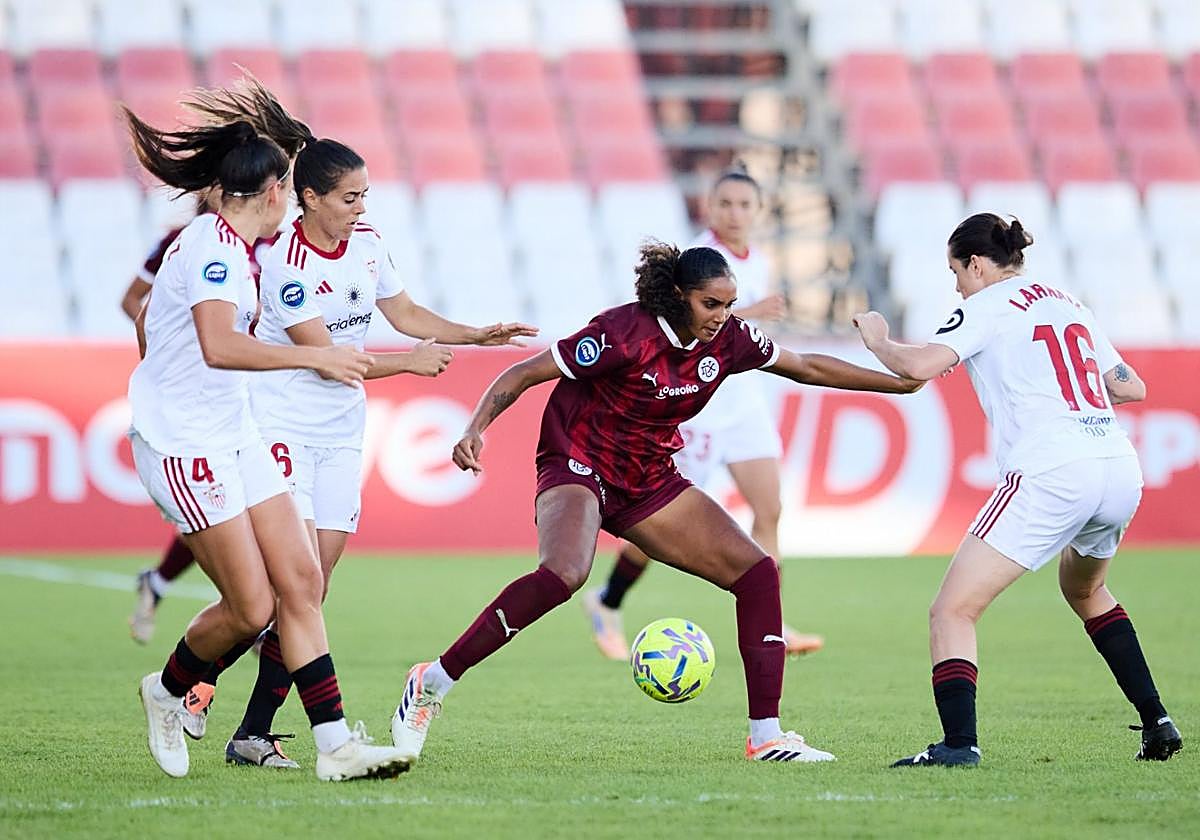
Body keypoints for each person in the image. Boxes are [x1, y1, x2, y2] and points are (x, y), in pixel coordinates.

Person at [390, 241, 921, 765]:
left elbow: (806, 366)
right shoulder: (622, 334)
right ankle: (432, 681)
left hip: (647, 479)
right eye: (710, 304)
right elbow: (524, 373)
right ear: (677, 295)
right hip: (577, 460)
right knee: (565, 574)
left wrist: (898, 385)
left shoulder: (730, 340)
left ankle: (766, 737)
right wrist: (474, 429)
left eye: (729, 305)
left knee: (757, 573)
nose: (722, 316)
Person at [219, 133, 537, 769]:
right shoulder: (283, 261)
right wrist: (410, 365)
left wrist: (475, 334)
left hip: (341, 434)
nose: (361, 207)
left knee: (313, 588)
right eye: (349, 197)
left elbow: (406, 312)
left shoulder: (367, 244)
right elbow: (326, 357)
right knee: (296, 585)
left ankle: (251, 734)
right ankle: (196, 683)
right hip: (281, 427)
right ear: (310, 198)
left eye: (365, 195)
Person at [124, 77, 412, 781]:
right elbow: (220, 346)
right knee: (251, 607)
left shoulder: (231, 242)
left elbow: (150, 319)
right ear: (278, 192)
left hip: (236, 432)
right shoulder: (217, 252)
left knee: (302, 581)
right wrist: (315, 355)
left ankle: (335, 746)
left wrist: (160, 361)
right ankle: (167, 690)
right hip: (186, 446)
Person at [851, 213, 1182, 767]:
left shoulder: (986, 305)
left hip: (1053, 471)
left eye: (956, 273)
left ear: (977, 265)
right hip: (1117, 467)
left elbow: (919, 367)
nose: (957, 286)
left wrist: (878, 338)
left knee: (952, 611)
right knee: (1087, 592)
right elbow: (1131, 387)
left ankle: (959, 745)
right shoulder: (1068, 303)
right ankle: (1158, 721)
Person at [583, 163, 822, 660]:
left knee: (770, 509)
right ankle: (607, 600)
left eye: (745, 204)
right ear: (709, 207)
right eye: (725, 203)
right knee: (657, 526)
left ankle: (772, 620)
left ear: (759, 210)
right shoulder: (695, 261)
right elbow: (672, 328)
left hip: (744, 405)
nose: (735, 213)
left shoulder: (760, 260)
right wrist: (749, 315)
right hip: (697, 409)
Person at [127, 188, 282, 646]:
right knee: (224, 504)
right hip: (207, 396)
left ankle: (175, 587)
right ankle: (245, 611)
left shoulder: (269, 243)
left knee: (252, 504)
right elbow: (136, 304)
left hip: (253, 391)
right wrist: (170, 357)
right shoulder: (190, 242)